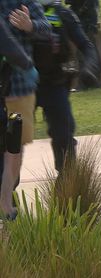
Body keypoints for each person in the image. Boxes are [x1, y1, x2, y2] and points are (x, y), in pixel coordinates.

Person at [33, 0, 100, 171]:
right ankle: (7, 191)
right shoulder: (18, 10)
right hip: (24, 85)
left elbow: (87, 46)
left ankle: (67, 186)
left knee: (64, 136)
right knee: (11, 138)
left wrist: (89, 69)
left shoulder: (62, 14)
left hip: (55, 84)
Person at [0, 0, 50, 219]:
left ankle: (6, 200)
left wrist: (30, 26)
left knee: (15, 149)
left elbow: (46, 30)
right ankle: (5, 204)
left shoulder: (26, 2)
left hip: (19, 90)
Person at [66, 0, 101, 89]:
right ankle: (92, 82)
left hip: (86, 20)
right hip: (84, 19)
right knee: (89, 51)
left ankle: (86, 83)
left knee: (86, 52)